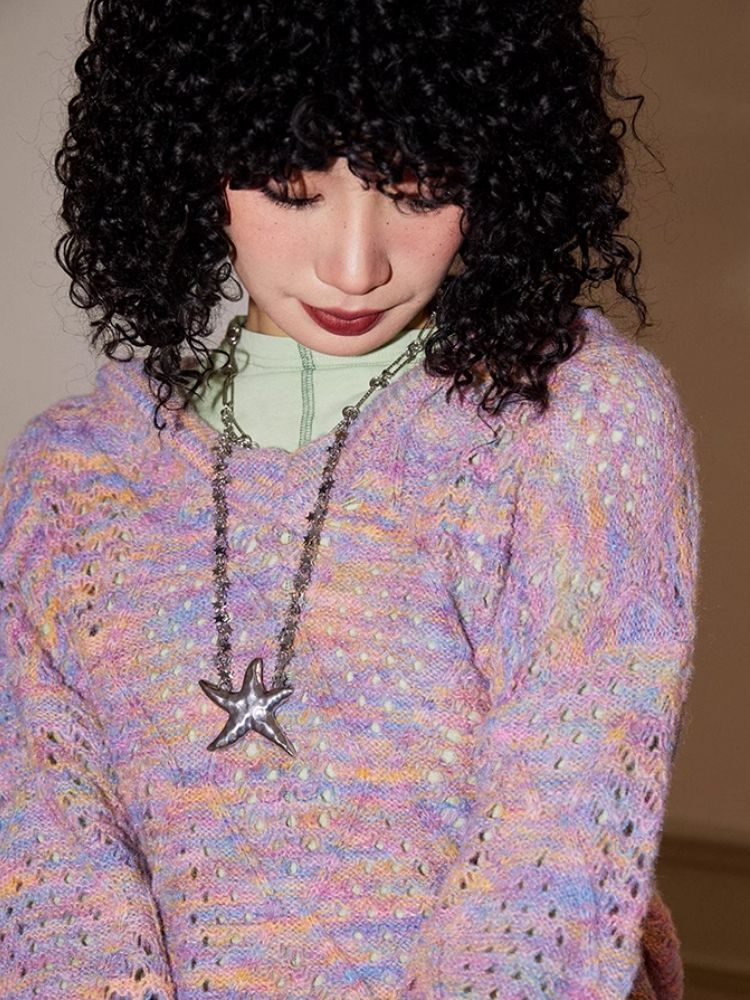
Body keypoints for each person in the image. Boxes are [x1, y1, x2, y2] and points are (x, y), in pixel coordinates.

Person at [0, 1, 701, 998]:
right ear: (192, 160)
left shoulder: (575, 419)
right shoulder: (65, 484)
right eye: (294, 190)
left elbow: (562, 825)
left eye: (419, 192)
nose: (356, 265)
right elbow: (47, 864)